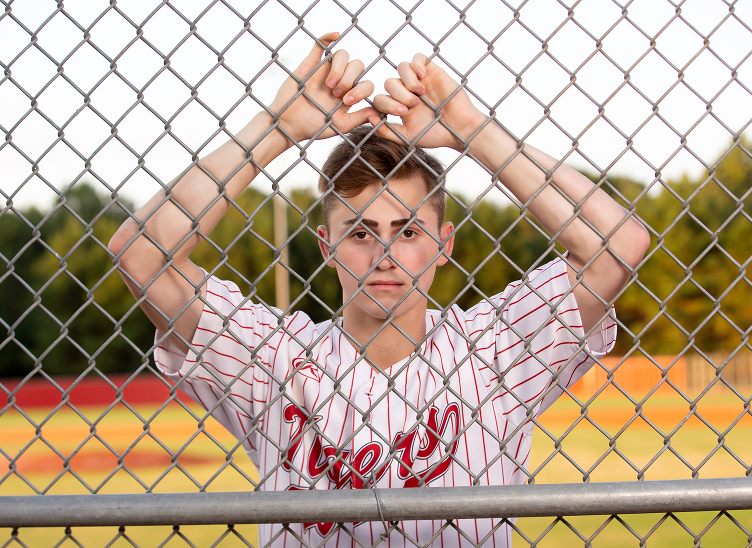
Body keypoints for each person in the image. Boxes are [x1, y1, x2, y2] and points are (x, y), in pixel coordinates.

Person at [109, 32, 649, 548]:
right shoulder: (273, 360)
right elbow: (139, 253)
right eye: (361, 233)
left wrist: (472, 131)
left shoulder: (494, 352)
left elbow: (619, 245)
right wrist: (276, 129)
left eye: (407, 231)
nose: (385, 255)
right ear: (327, 246)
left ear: (443, 244)